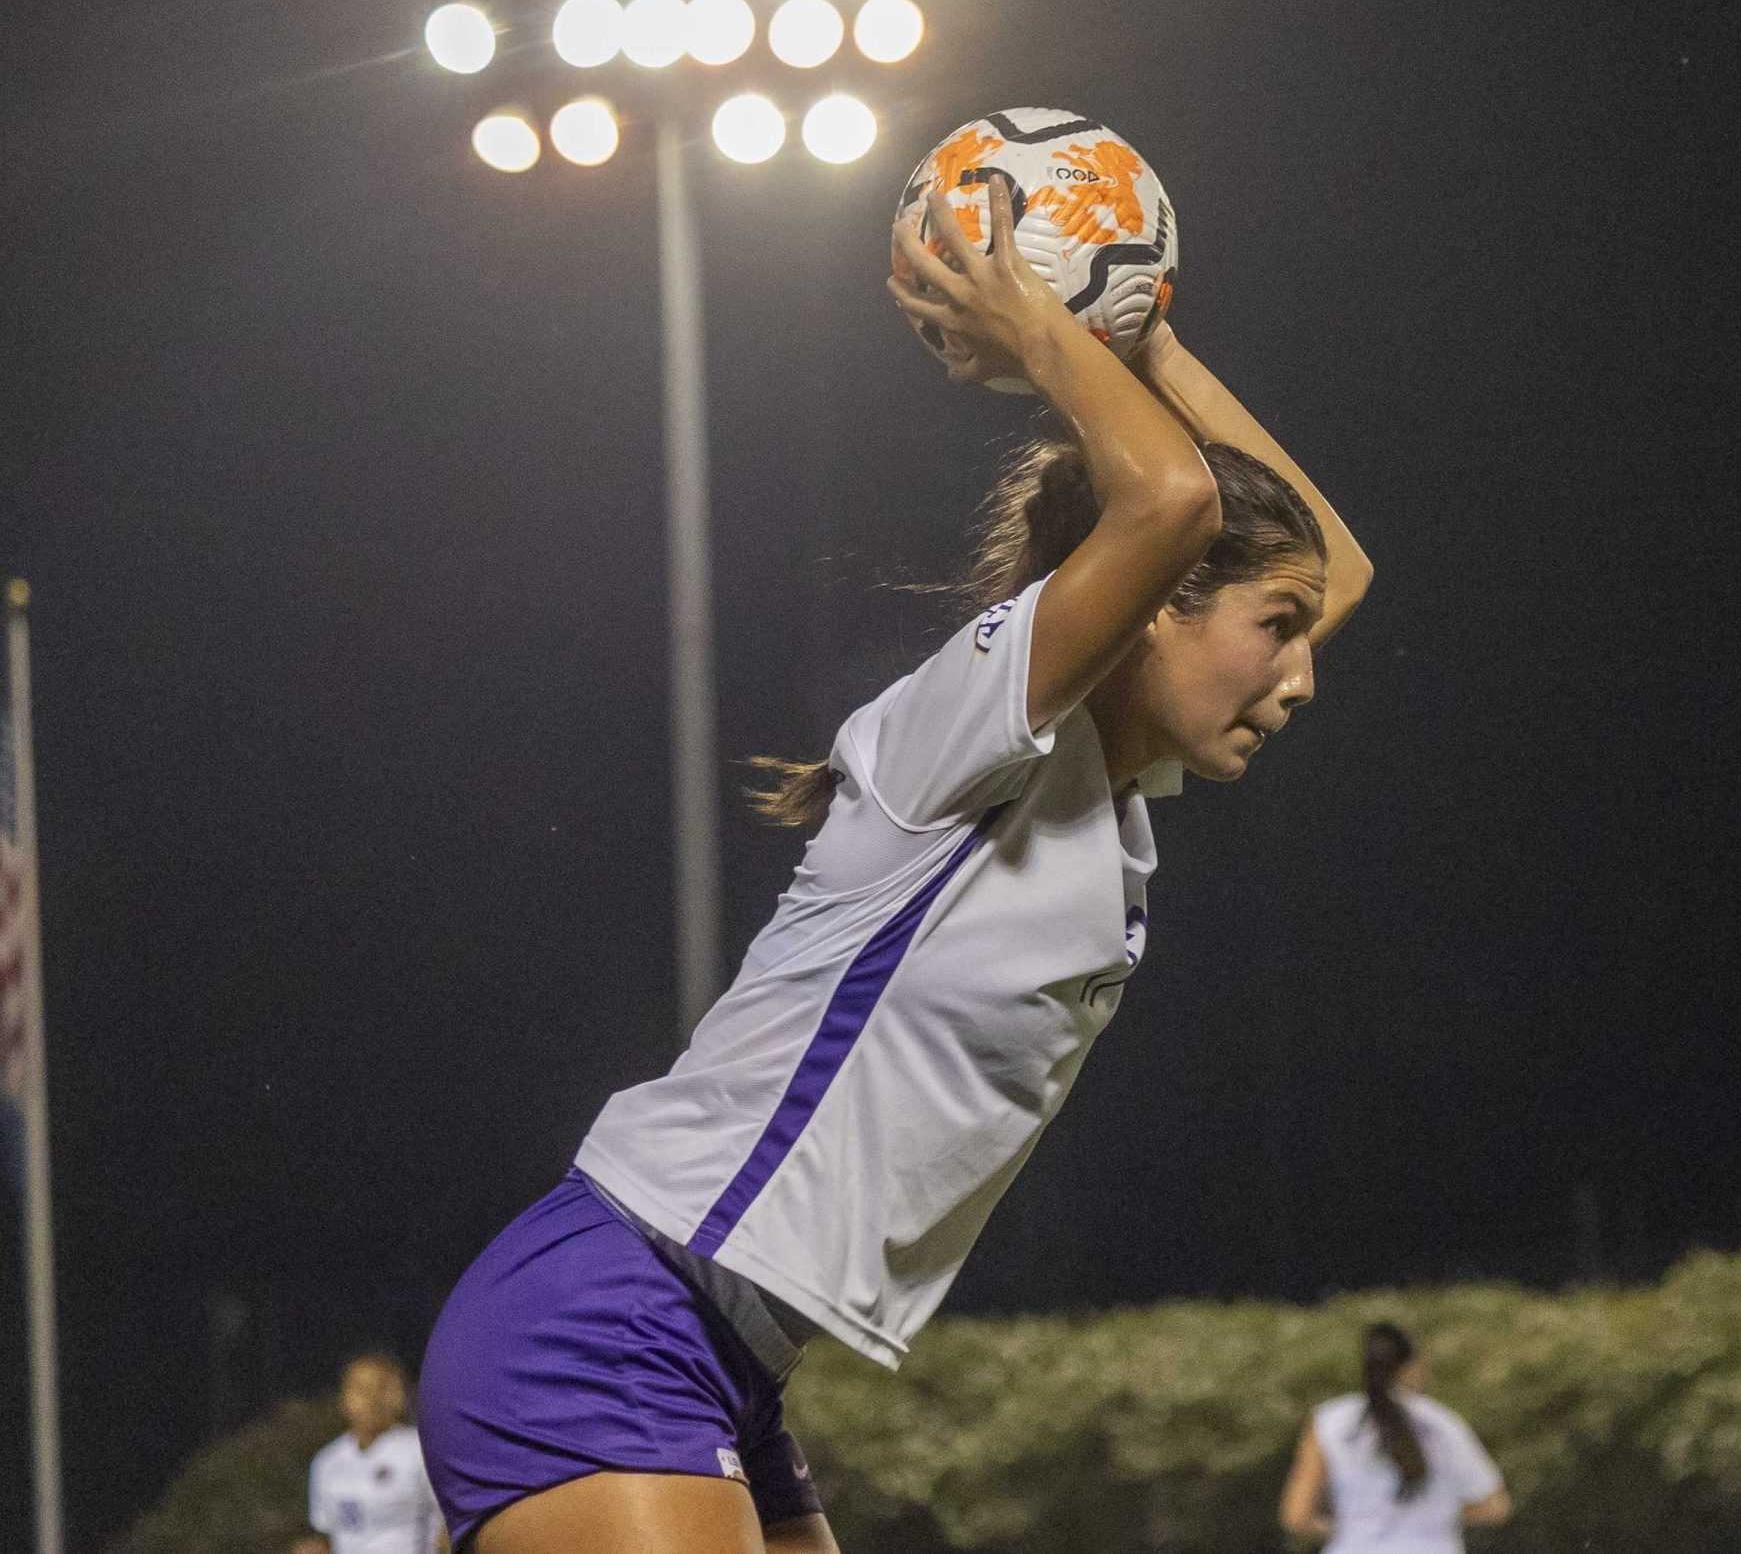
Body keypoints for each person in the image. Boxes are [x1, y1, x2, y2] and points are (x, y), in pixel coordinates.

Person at [417, 175, 1372, 1554]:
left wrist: (1142, 327)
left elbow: (1323, 561)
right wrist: (1044, 322)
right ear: (1155, 610)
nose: (1303, 670)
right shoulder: (964, 733)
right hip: (609, 1313)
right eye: (1271, 628)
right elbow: (1166, 501)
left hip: (721, 1353)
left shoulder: (1108, 788)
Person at [1280, 1323, 1512, 1551]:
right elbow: (1494, 1507)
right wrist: (1435, 1515)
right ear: (1413, 1366)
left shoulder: (1329, 1420)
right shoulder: (1443, 1423)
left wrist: (1347, 1527)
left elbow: (1296, 1516)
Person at [305, 1353, 443, 1554]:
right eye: (361, 1389)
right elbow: (327, 1535)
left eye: (382, 1387)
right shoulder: (326, 1461)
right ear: (344, 1396)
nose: (372, 1398)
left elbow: (451, 1525)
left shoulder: (420, 1450)